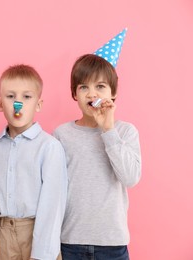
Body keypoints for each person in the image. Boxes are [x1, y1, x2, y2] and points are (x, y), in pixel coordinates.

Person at [53, 28, 142, 260]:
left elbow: (130, 178)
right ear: (74, 93)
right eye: (84, 87)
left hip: (112, 243)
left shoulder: (124, 131)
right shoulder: (62, 134)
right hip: (70, 241)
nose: (92, 93)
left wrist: (108, 130)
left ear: (113, 93)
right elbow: (53, 189)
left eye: (100, 86)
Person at [0, 64, 68, 260]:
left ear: (38, 104)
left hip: (36, 232)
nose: (18, 104)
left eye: (26, 97)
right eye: (11, 96)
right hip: (2, 232)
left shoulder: (49, 147)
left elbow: (53, 204)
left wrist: (42, 254)